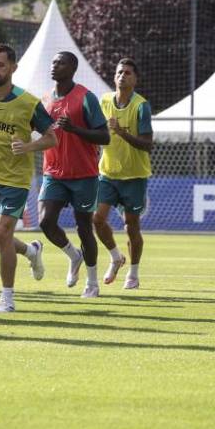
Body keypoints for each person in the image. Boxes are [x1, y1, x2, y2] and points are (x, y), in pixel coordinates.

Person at [0, 42, 56, 314]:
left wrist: (28, 147)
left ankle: (7, 298)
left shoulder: (28, 103)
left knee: (4, 233)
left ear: (13, 67)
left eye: (0, 64)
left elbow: (52, 137)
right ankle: (31, 251)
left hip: (14, 181)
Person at [38, 52, 110, 297]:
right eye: (53, 61)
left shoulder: (86, 97)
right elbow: (35, 129)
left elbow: (105, 137)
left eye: (61, 62)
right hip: (53, 172)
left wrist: (76, 129)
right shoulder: (45, 99)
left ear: (73, 68)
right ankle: (73, 255)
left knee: (83, 228)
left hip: (84, 175)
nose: (54, 65)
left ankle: (92, 283)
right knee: (45, 222)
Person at [93, 58, 153, 290]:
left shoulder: (141, 106)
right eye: (119, 72)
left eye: (128, 73)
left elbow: (148, 144)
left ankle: (134, 273)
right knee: (97, 219)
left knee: (131, 226)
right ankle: (116, 257)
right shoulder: (104, 101)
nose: (122, 76)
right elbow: (96, 130)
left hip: (134, 176)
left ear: (135, 79)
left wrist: (120, 132)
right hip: (107, 173)